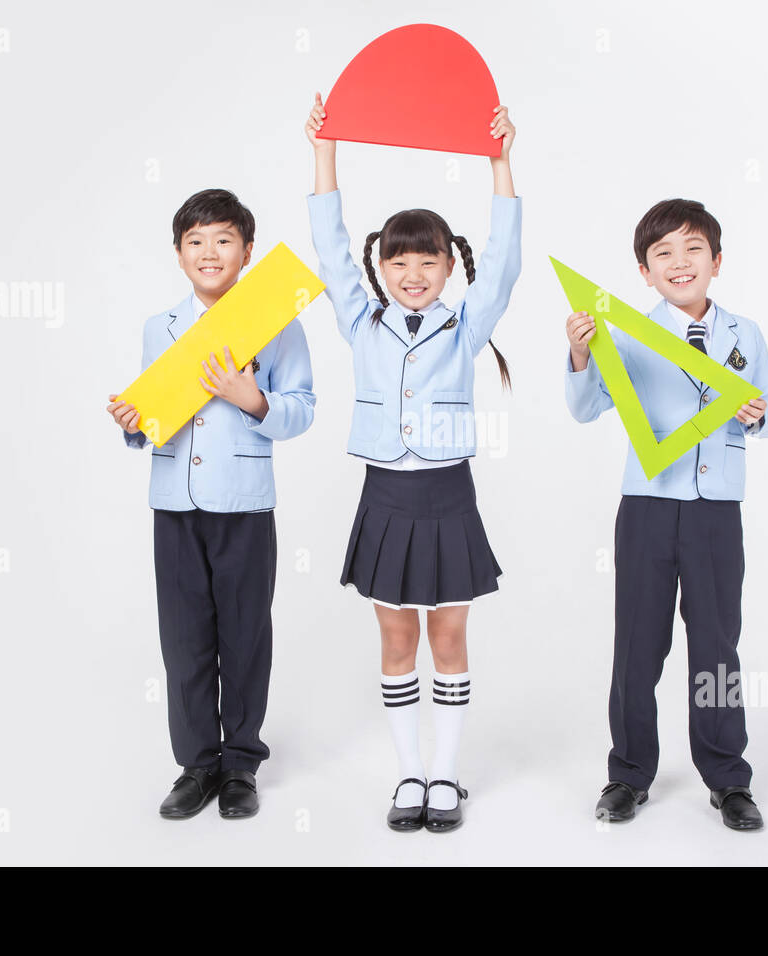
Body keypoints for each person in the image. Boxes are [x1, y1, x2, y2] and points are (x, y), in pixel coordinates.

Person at [304, 92, 520, 832]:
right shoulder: (360, 321)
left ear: (445, 266)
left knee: (450, 635)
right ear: (383, 267)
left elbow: (504, 262)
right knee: (397, 637)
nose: (414, 273)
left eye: (428, 261)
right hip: (385, 497)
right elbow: (329, 246)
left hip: (449, 495)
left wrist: (500, 163)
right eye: (400, 261)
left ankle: (447, 778)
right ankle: (408, 777)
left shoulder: (465, 327)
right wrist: (325, 148)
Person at [564, 198, 768, 830]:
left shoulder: (747, 334)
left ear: (717, 261)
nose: (679, 263)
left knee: (718, 647)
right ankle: (628, 773)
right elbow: (585, 410)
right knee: (637, 645)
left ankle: (727, 777)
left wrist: (759, 413)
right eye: (663, 253)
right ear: (644, 270)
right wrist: (581, 357)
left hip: (717, 511)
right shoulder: (625, 329)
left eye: (693, 250)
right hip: (648, 509)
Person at [106, 188, 315, 820]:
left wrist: (252, 398)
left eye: (223, 239)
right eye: (195, 241)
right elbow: (154, 420)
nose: (209, 252)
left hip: (244, 504)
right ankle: (197, 764)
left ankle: (241, 763)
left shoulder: (280, 321)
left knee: (245, 635)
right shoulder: (158, 328)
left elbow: (303, 409)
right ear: (177, 254)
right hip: (173, 503)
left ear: (248, 251)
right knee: (185, 638)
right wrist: (132, 421)